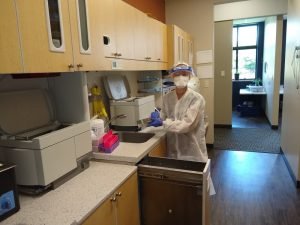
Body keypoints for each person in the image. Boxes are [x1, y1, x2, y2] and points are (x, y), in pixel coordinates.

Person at [160, 62, 208, 162]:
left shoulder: (196, 99)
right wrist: (158, 117)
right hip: (173, 151)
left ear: (190, 76)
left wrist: (163, 122)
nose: (180, 77)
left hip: (193, 151)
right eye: (177, 74)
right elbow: (163, 116)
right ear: (172, 76)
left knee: (194, 176)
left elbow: (186, 125)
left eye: (184, 74)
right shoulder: (167, 98)